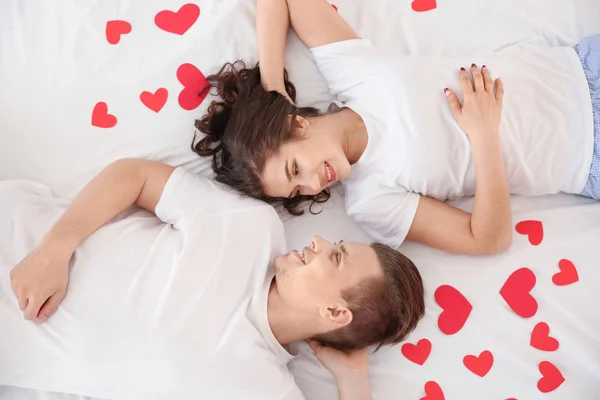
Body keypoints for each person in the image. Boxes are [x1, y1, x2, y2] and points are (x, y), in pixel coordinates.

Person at [193, 0, 600, 255]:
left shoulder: (352, 74)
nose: (315, 184)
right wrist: (484, 138)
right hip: (585, 157)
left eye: (295, 170)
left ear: (295, 125)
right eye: (298, 190)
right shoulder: (370, 202)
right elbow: (487, 239)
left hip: (580, 69)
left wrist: (273, 87)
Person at [4, 158, 425, 400]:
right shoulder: (252, 227)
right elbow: (135, 176)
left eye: (334, 257)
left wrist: (353, 380)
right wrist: (54, 249)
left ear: (335, 311)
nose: (315, 240)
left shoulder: (263, 389)